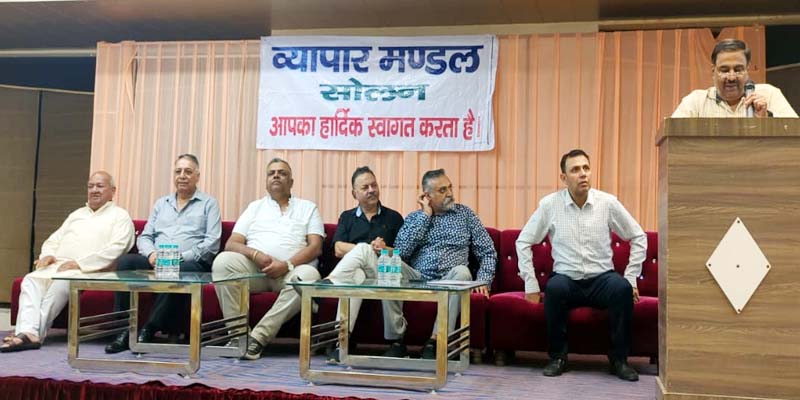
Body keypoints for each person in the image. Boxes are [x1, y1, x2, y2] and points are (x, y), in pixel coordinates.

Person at [515, 149, 646, 381]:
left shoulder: (607, 203)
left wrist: (631, 277)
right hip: (567, 279)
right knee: (554, 289)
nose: (583, 174)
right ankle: (558, 358)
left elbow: (638, 236)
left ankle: (619, 360)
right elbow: (523, 241)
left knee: (622, 289)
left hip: (602, 279)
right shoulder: (550, 205)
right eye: (575, 170)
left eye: (586, 168)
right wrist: (531, 284)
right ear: (564, 178)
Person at [1, 171, 134, 353]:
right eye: (90, 186)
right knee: (31, 280)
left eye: (100, 186)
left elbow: (118, 248)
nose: (94, 190)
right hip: (58, 265)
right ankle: (29, 334)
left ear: (113, 191)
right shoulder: (77, 214)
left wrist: (80, 263)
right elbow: (54, 239)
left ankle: (28, 334)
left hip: (90, 270)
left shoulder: (120, 216)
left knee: (60, 284)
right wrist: (47, 254)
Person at [105, 154, 221, 354]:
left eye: (188, 171)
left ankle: (149, 329)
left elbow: (212, 243)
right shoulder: (161, 203)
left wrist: (177, 258)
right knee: (126, 262)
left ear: (197, 176)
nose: (182, 176)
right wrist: (151, 254)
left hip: (190, 263)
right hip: (156, 259)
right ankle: (124, 330)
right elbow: (145, 236)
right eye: (178, 171)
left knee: (175, 269)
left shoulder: (209, 203)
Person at [213, 158, 324, 360]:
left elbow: (315, 247)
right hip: (256, 271)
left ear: (291, 181)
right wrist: (255, 255)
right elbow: (232, 243)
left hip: (290, 272)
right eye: (271, 173)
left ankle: (258, 338)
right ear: (266, 181)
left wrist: (286, 265)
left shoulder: (308, 208)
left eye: (282, 173)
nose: (276, 176)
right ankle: (239, 336)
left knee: (309, 277)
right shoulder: (254, 207)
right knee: (223, 262)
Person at [382, 169, 497, 359]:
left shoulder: (465, 215)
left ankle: (436, 341)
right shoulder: (415, 218)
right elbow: (401, 252)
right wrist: (425, 216)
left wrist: (484, 279)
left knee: (463, 272)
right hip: (418, 278)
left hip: (450, 279)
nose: (450, 193)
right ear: (427, 196)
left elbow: (488, 251)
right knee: (391, 265)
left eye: (450, 187)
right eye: (442, 190)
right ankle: (396, 340)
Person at [319, 166, 404, 363]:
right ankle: (342, 342)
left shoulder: (393, 217)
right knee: (356, 274)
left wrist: (382, 249)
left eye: (374, 185)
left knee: (364, 251)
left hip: (385, 271)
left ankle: (327, 285)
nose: (371, 190)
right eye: (365, 187)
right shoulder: (347, 217)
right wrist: (365, 249)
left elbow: (402, 254)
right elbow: (338, 248)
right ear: (354, 193)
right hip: (359, 274)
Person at [672, 38, 798, 118]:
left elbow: (795, 134)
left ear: (747, 69)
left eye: (738, 70)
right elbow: (673, 137)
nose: (731, 77)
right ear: (713, 71)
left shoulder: (769, 94)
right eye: (724, 70)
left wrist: (768, 117)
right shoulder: (696, 101)